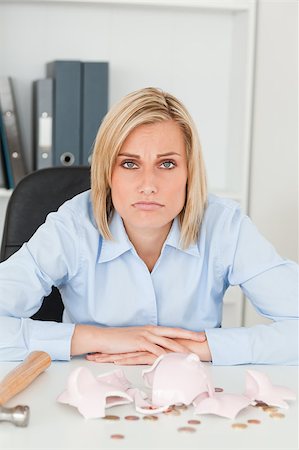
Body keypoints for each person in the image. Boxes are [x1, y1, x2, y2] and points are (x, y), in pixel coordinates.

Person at [0, 87, 298, 366]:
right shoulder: (73, 226)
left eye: (167, 164)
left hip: (191, 396)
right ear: (107, 173)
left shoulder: (223, 225)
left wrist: (197, 347)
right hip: (90, 392)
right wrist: (98, 338)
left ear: (189, 173)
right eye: (129, 164)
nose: (148, 185)